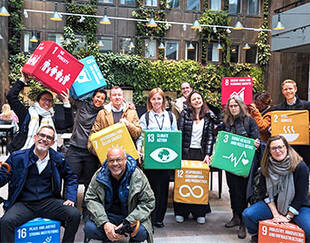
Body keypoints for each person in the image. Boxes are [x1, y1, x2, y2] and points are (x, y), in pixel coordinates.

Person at [0, 125, 80, 243]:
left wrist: (71, 197)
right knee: (5, 222)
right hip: (24, 203)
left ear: (52, 142)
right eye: (42, 135)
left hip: (48, 202)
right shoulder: (17, 157)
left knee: (74, 214)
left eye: (49, 137)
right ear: (35, 137)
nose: (44, 139)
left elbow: (71, 177)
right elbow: (2, 178)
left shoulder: (58, 159)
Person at [242, 135, 310, 243]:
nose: (278, 151)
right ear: (269, 150)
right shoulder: (266, 166)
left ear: (286, 147)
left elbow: (301, 196)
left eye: (280, 147)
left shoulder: (300, 166)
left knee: (308, 229)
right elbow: (266, 194)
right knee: (248, 215)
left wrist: (287, 217)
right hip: (274, 204)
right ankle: (257, 236)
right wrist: (276, 214)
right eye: (274, 148)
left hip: (298, 206)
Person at [83, 146, 155, 243]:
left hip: (130, 215)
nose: (115, 164)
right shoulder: (99, 175)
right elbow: (90, 198)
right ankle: (110, 235)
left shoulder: (137, 175)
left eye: (119, 160)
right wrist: (105, 223)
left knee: (141, 232)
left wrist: (128, 222)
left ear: (125, 160)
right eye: (111, 161)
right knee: (89, 229)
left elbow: (148, 202)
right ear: (107, 162)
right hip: (108, 215)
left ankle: (126, 237)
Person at [136, 88, 177, 228]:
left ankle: (159, 218)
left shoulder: (170, 117)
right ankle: (150, 218)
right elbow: (140, 138)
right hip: (150, 160)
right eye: (153, 99)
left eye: (159, 98)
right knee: (150, 190)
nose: (156, 101)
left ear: (163, 100)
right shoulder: (145, 117)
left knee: (163, 189)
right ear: (150, 101)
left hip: (165, 160)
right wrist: (139, 151)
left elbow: (175, 137)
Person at [222, 96, 260, 239]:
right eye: (231, 106)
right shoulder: (226, 122)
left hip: (245, 164)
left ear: (241, 106)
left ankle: (243, 222)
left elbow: (256, 139)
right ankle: (235, 216)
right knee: (233, 190)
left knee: (244, 192)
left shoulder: (250, 121)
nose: (233, 108)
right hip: (230, 163)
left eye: (235, 106)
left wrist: (256, 143)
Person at [65, 88, 107, 220]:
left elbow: (118, 111)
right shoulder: (82, 105)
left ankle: (87, 211)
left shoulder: (104, 112)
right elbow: (70, 97)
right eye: (97, 97)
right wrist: (66, 96)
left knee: (90, 183)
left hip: (91, 152)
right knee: (71, 180)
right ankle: (67, 211)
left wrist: (129, 107)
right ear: (93, 97)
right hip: (75, 149)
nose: (99, 100)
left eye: (102, 98)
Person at [174, 90, 215, 224]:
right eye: (194, 99)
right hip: (186, 152)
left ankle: (199, 212)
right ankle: (181, 211)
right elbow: (178, 135)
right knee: (184, 182)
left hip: (201, 154)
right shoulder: (184, 115)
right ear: (190, 102)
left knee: (199, 182)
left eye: (199, 98)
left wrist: (208, 154)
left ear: (202, 100)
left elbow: (210, 137)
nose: (197, 101)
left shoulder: (208, 116)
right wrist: (178, 154)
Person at [6, 71, 73, 152]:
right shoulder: (26, 113)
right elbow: (11, 96)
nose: (47, 103)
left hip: (45, 155)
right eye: (44, 99)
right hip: (23, 152)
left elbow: (68, 123)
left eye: (50, 100)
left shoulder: (52, 118)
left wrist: (66, 101)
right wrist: (23, 80)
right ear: (37, 101)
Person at [88, 86, 141, 154]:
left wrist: (128, 124)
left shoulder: (132, 112)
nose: (117, 97)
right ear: (110, 98)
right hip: (108, 156)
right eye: (114, 95)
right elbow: (94, 134)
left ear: (123, 97)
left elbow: (138, 134)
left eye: (119, 95)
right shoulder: (102, 113)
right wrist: (98, 153)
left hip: (128, 155)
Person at [270, 79, 310, 167]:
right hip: (285, 147)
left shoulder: (307, 106)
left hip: (303, 147)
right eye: (285, 89)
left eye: (290, 89)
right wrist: (271, 129)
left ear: (295, 89)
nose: (288, 91)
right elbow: (272, 126)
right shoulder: (277, 109)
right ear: (282, 91)